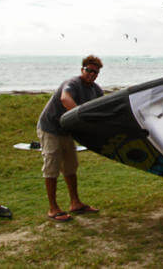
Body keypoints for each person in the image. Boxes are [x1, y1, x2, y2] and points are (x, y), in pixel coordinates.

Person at [37, 55, 104, 222]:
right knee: (52, 165)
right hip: (50, 128)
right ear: (82, 69)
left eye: (95, 72)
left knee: (70, 166)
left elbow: (103, 108)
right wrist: (81, 118)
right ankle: (53, 208)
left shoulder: (95, 90)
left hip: (67, 131)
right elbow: (65, 99)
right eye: (88, 70)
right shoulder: (72, 83)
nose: (91, 74)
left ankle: (75, 203)